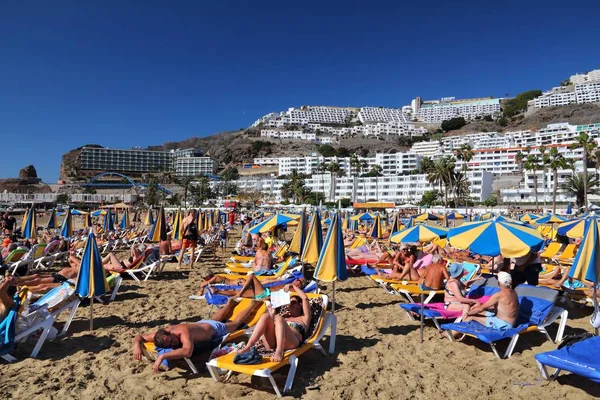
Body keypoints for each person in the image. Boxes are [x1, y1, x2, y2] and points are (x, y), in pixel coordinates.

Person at [132, 298, 262, 373]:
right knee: (214, 318)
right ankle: (229, 304)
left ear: (169, 332)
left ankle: (252, 304)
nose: (173, 343)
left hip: (214, 330)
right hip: (201, 325)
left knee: (235, 323)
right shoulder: (160, 335)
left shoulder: (182, 332)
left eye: (171, 340)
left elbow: (187, 352)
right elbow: (139, 337)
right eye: (169, 345)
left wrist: (163, 356)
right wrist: (137, 346)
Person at [237, 284, 311, 362]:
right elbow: (271, 328)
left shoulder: (304, 317)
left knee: (278, 318)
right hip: (272, 343)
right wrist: (272, 315)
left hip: (292, 342)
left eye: (293, 302)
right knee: (266, 316)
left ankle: (279, 351)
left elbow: (305, 298)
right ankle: (248, 346)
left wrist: (293, 286)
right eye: (289, 302)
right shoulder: (284, 316)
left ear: (300, 305)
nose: (289, 305)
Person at [13, 253, 81, 293]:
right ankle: (15, 280)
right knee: (36, 275)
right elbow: (71, 261)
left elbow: (79, 263)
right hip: (58, 274)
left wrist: (72, 256)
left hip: (62, 278)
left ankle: (20, 289)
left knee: (39, 282)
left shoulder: (87, 266)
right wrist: (72, 255)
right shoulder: (80, 262)